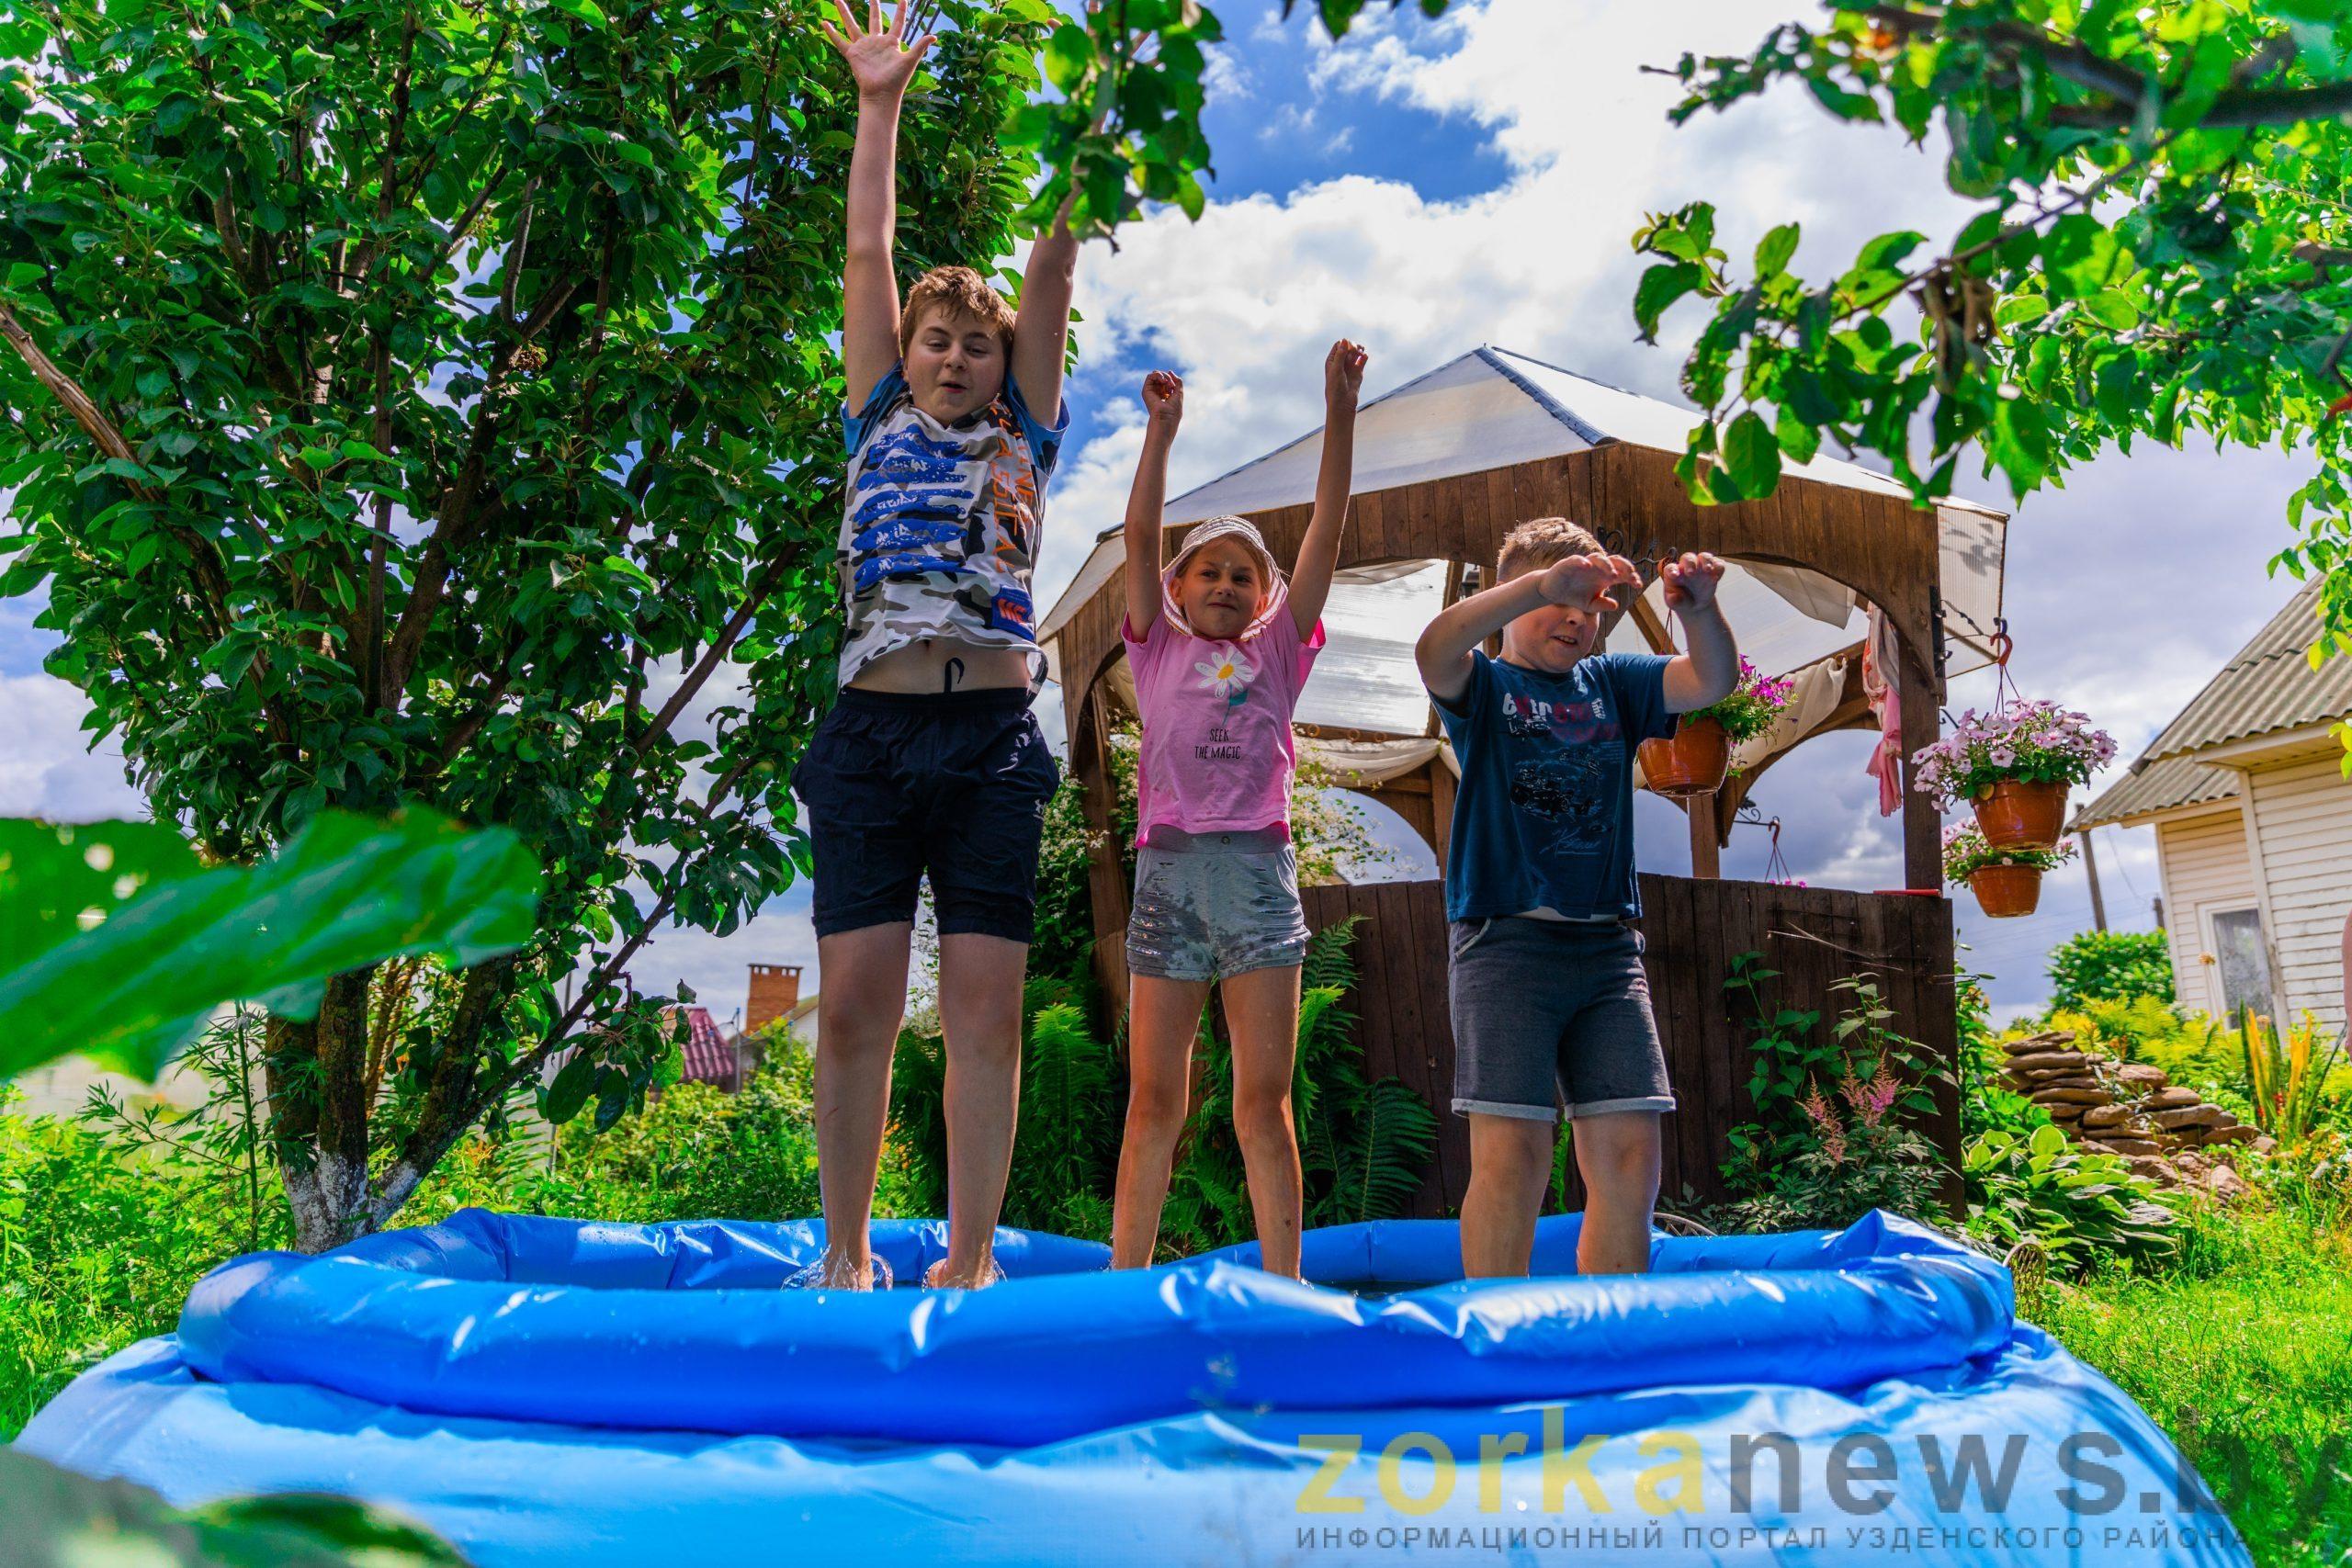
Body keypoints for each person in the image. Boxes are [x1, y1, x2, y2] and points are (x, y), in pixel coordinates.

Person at [796, 1, 1080, 1290]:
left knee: (983, 1011)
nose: (958, 354)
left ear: (1008, 363)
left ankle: (970, 1259)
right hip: (872, 730)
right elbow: (869, 252)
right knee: (854, 1005)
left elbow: (1054, 268)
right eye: (936, 339)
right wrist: (879, 103)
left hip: (990, 741)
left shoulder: (1026, 425)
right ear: (904, 355)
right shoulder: (872, 417)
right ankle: (846, 1253)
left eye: (979, 340)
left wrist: (1097, 113)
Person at [1413, 519, 1736, 1278]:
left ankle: (1609, 1335)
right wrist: (1540, 583)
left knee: (1632, 1156)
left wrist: (1697, 610)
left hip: (1606, 954)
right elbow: (1434, 649)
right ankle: (1499, 1340)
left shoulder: (1614, 684)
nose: (1577, 618)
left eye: (1591, 606)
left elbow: (1711, 680)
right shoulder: (1487, 688)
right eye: (1562, 601)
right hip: (1506, 946)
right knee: (1514, 1157)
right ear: (1513, 597)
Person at [1108, 341, 1367, 1279]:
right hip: (1170, 876)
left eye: (1241, 575)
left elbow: (1327, 532)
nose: (1223, 583)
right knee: (1154, 1103)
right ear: (1176, 590)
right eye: (1206, 571)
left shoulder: (1279, 650)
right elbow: (1139, 538)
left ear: (1264, 598)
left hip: (1257, 881)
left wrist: (1338, 410)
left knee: (1264, 1101)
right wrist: (1160, 432)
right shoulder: (1155, 650)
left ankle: (1284, 1285)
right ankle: (1122, 1283)